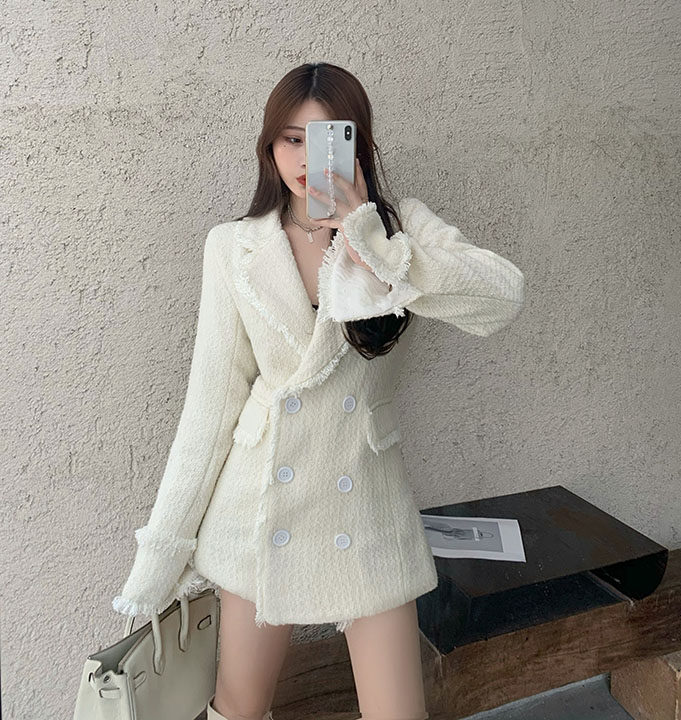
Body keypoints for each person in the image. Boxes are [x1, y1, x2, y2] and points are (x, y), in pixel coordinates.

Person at [111, 62, 526, 720]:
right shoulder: (234, 247)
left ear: (358, 143)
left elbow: (502, 297)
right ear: (269, 147)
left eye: (327, 136)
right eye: (291, 139)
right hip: (258, 511)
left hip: (365, 506)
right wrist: (163, 551)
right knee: (238, 710)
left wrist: (372, 240)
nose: (306, 158)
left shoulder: (400, 229)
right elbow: (210, 406)